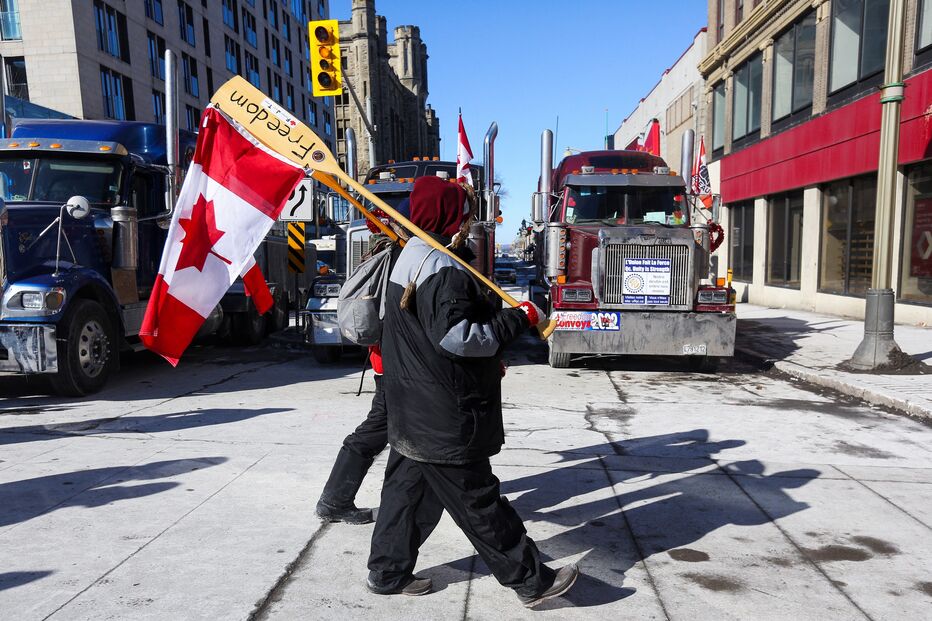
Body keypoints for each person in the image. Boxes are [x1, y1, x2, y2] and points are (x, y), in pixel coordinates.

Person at [366, 176, 579, 607]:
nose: (467, 220)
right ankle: (532, 581)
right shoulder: (443, 269)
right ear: (448, 216)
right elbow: (458, 338)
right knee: (479, 502)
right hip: (444, 413)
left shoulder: (410, 255)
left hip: (411, 405)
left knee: (406, 493)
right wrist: (519, 318)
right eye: (462, 212)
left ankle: (387, 573)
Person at [315, 202, 410, 524]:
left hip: (388, 358)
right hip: (395, 361)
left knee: (392, 428)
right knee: (378, 429)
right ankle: (335, 501)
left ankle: (338, 500)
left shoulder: (383, 252)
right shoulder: (401, 257)